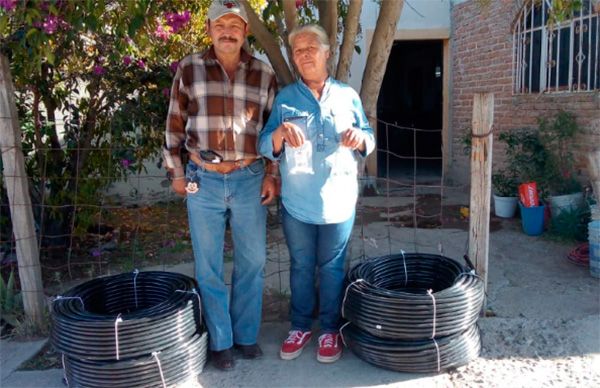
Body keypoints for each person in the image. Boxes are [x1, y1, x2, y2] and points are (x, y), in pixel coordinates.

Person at [163, 0, 278, 371]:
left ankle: (245, 336)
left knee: (253, 261)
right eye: (220, 25)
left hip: (248, 179)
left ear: (245, 32)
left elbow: (273, 130)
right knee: (208, 265)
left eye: (235, 26)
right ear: (209, 29)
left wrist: (272, 174)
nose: (227, 32)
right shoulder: (189, 68)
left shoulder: (263, 73)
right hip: (203, 179)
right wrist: (176, 172)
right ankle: (221, 341)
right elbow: (174, 124)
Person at [258, 24, 375, 363]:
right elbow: (265, 144)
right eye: (298, 50)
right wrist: (280, 132)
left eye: (312, 47)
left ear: (327, 52)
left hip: (339, 202)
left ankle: (329, 330)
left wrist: (359, 136)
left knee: (333, 267)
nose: (305, 54)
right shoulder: (285, 99)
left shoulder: (347, 96)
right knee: (301, 266)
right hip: (297, 204)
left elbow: (369, 135)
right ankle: (299, 326)